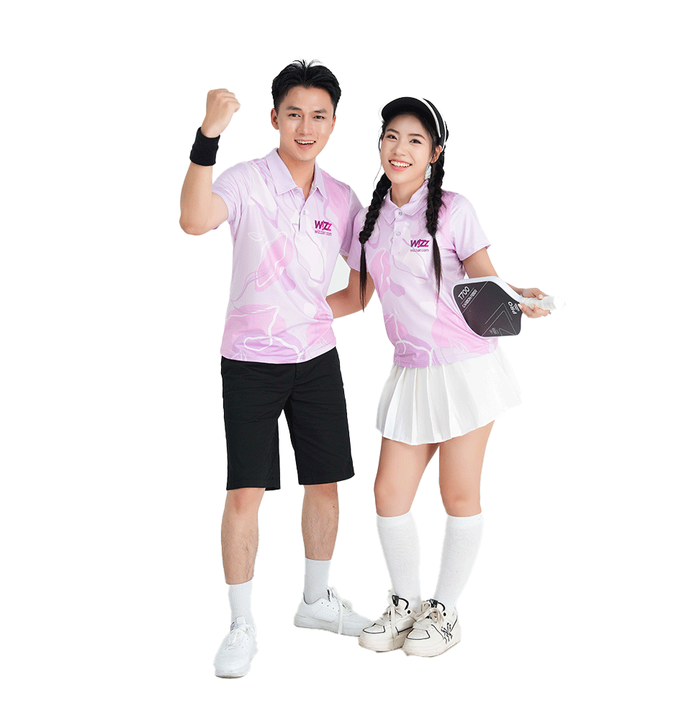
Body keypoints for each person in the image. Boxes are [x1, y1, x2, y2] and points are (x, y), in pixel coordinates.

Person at [327, 96, 549, 657]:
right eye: (391, 136)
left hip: (465, 369)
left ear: (435, 152)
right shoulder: (369, 220)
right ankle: (406, 603)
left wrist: (520, 296)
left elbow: (484, 282)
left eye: (415, 140)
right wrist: (292, 309)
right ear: (380, 143)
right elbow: (355, 297)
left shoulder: (454, 209)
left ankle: (444, 611)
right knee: (388, 495)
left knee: (458, 492)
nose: (399, 149)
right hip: (410, 373)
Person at [179, 60, 370, 679]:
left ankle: (315, 602)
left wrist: (313, 311)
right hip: (250, 362)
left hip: (315, 359)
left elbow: (362, 287)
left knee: (325, 483)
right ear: (274, 118)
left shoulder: (341, 198)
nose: (306, 127)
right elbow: (194, 219)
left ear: (333, 123)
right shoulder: (246, 180)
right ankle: (241, 624)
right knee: (245, 492)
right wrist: (208, 135)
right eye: (294, 114)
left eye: (318, 116)